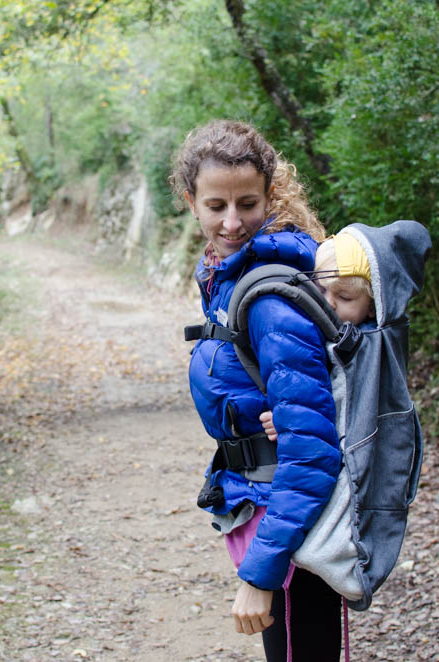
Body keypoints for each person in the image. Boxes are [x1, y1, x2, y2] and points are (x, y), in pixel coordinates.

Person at [172, 119, 343, 661]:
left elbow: (312, 454)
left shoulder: (269, 298)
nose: (232, 221)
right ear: (190, 201)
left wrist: (262, 573)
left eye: (248, 203)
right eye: (216, 205)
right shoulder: (229, 276)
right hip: (269, 508)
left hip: (292, 522)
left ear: (270, 195)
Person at [259, 232, 376, 440]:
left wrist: (289, 421)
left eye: (344, 297)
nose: (328, 303)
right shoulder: (314, 331)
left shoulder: (365, 350)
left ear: (372, 307)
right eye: (321, 290)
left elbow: (347, 415)